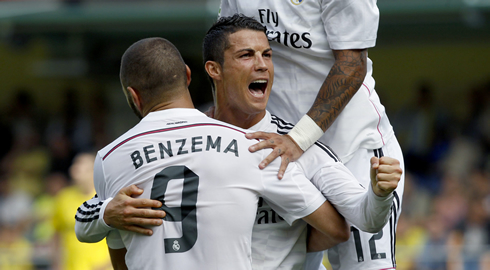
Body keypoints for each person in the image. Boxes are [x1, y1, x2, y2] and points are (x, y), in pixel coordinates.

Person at [75, 15, 402, 269]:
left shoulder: (300, 148)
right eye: (247, 55)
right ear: (211, 70)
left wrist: (379, 192)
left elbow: (357, 222)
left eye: (267, 55)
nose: (262, 64)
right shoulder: (239, 146)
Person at [219, 2, 406, 270]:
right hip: (281, 154)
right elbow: (224, 49)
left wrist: (299, 138)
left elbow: (353, 64)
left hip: (352, 150)